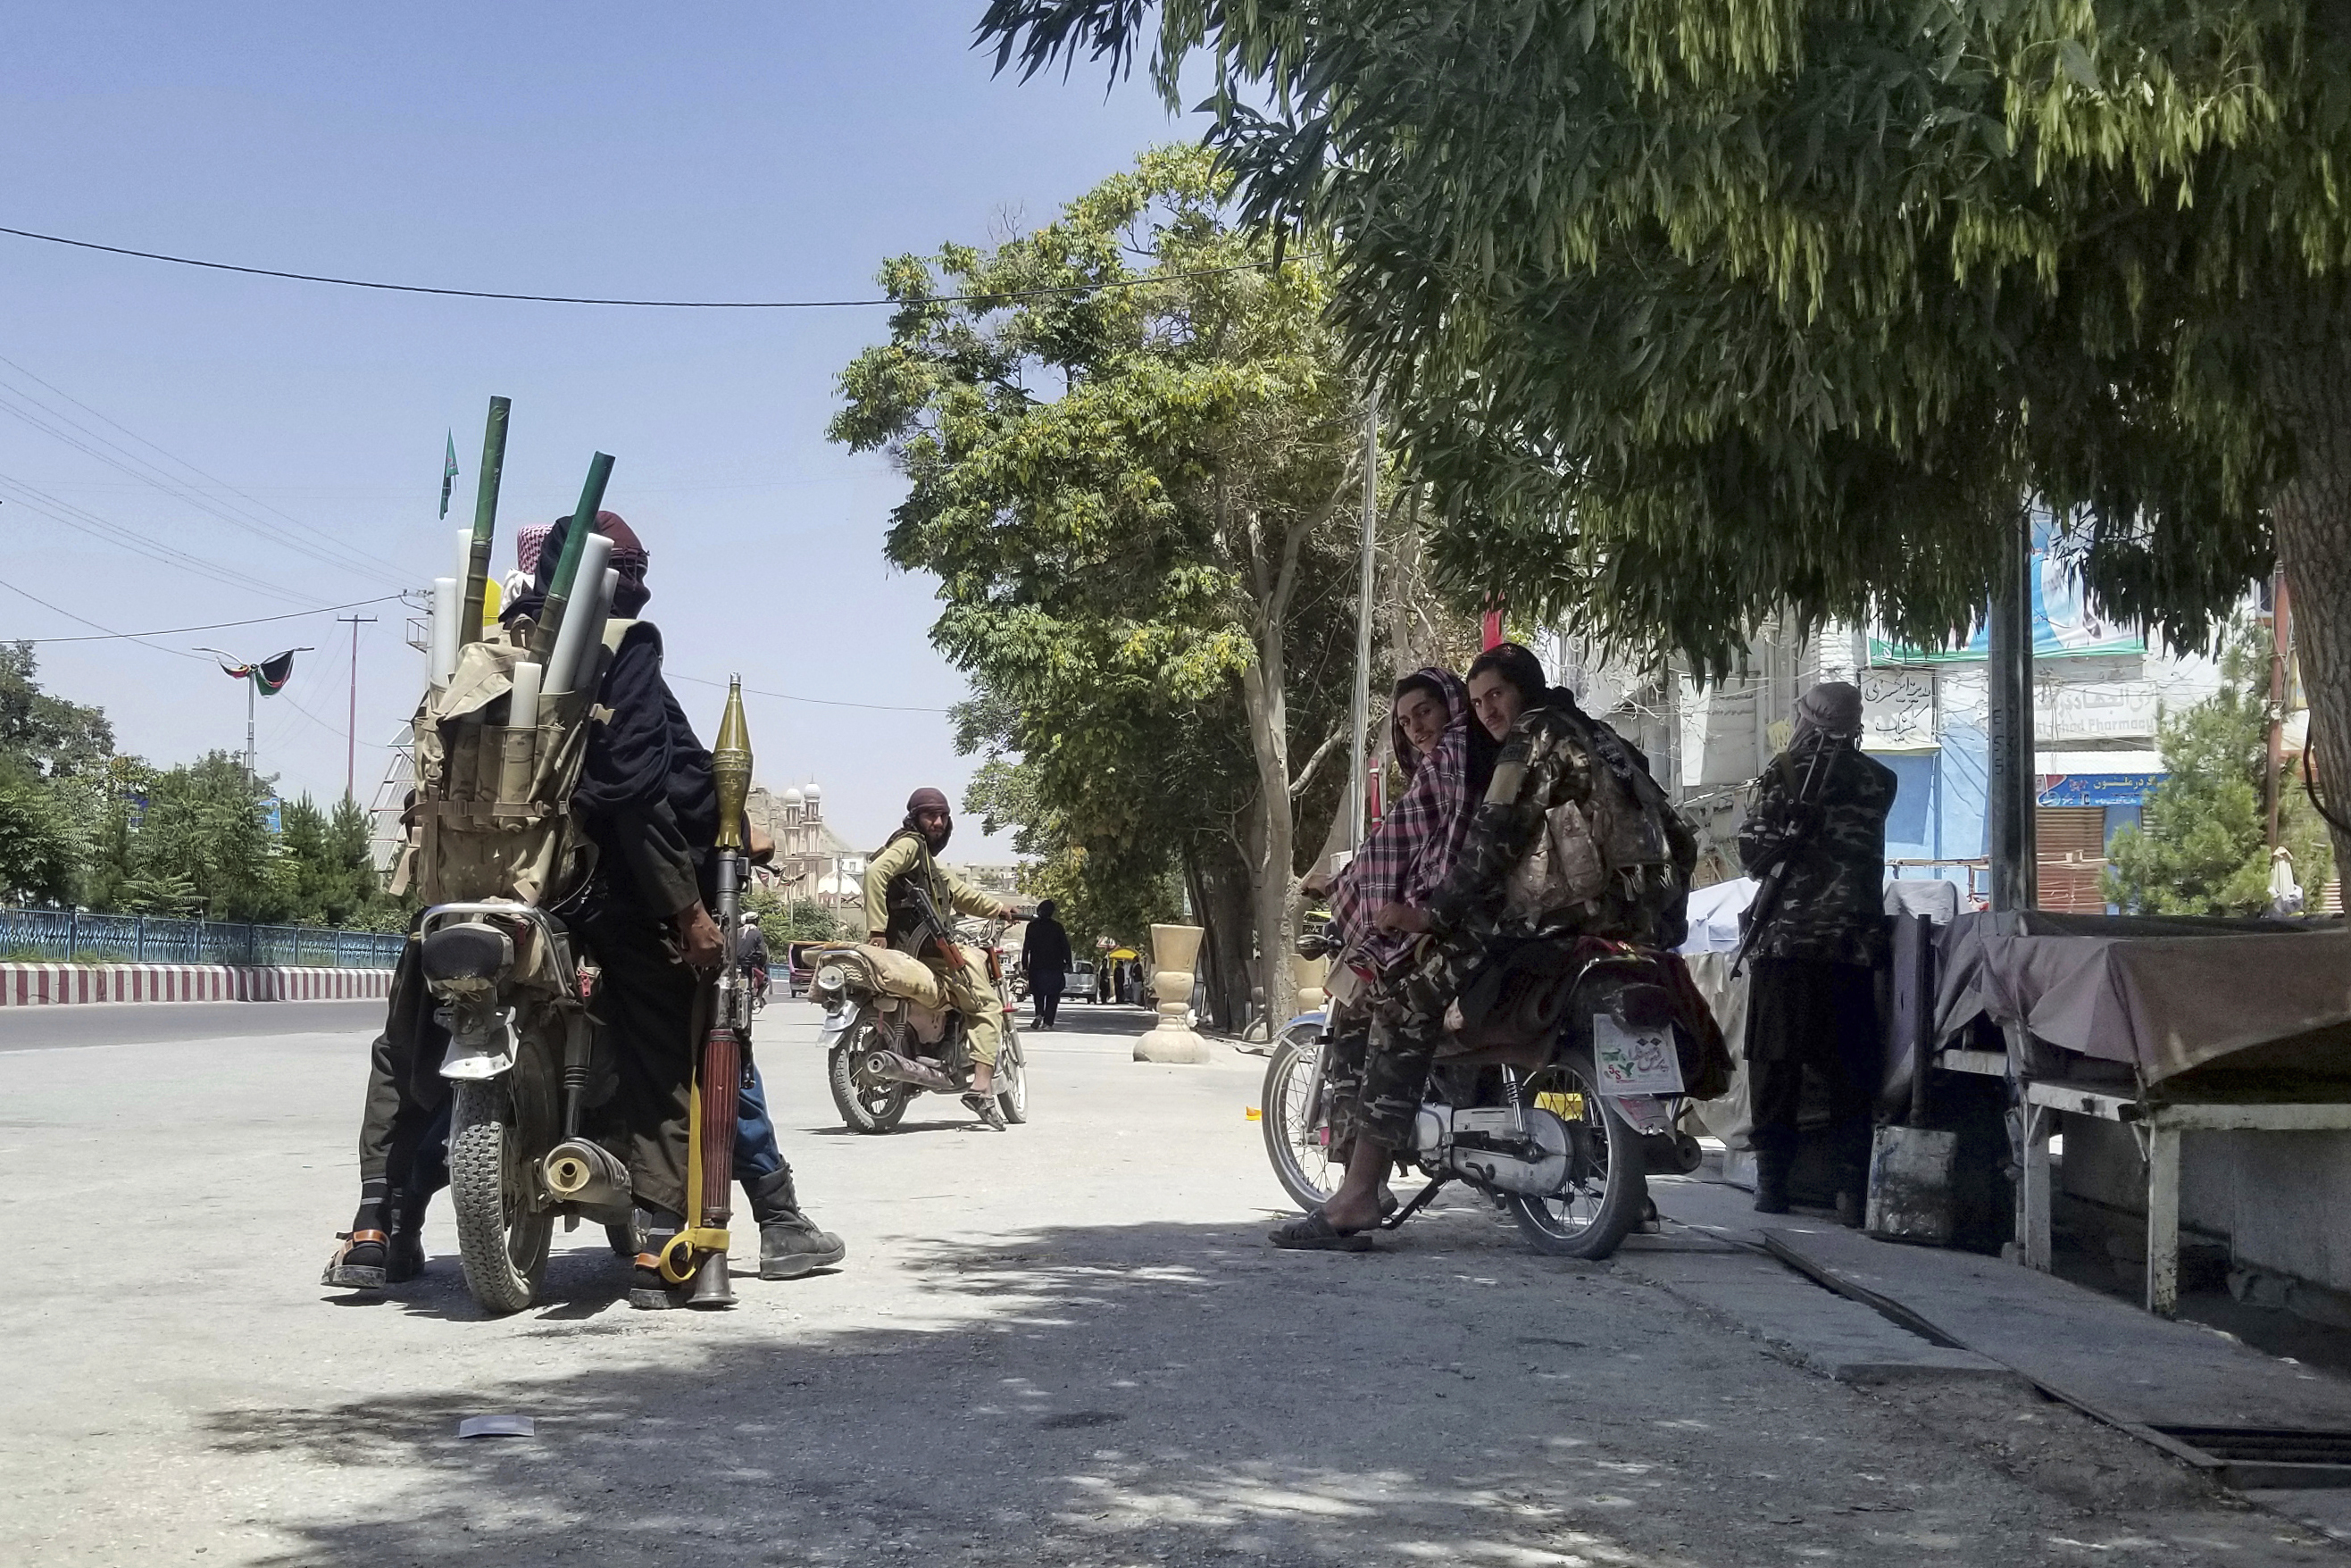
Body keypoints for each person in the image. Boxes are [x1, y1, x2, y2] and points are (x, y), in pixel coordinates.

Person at [515, 511, 843, 1304]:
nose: (640, 577)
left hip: (547, 892)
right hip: (641, 893)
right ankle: (688, 1239)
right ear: (604, 575)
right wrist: (688, 911)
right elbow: (636, 793)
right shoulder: (622, 647)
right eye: (628, 564)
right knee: (702, 1039)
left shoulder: (507, 648)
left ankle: (379, 1223)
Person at [1274, 643, 1693, 1248]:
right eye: (1477, 702)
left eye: (1495, 694)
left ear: (1524, 688)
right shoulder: (1599, 735)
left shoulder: (1531, 738)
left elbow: (1491, 840)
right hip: (1640, 919)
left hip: (1567, 913)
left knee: (1402, 1006)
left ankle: (1360, 1194)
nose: (1488, 711)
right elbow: (1671, 826)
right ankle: (1626, 1187)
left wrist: (1430, 914)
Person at [1306, 669, 1496, 1180]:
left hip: (1450, 923)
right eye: (1405, 721)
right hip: (1482, 916)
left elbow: (1391, 847)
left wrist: (1343, 887)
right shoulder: (1484, 754)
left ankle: (1360, 1181)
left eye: (1425, 712)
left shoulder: (1448, 760)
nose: (1416, 729)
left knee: (1364, 1008)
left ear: (1452, 707)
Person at [1737, 680, 1897, 1224]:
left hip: (1787, 943)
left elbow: (1753, 858)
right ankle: (1852, 1192)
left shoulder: (1783, 775)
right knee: (1850, 1071)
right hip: (1853, 946)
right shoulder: (1882, 781)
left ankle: (1772, 1186)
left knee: (1775, 1065)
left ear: (1805, 717)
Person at [864, 788, 1021, 1128]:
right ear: (915, 818)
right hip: (925, 953)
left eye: (943, 817)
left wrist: (1000, 908)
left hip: (918, 950)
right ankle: (981, 1089)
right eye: (930, 816)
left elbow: (962, 894)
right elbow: (875, 873)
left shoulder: (926, 862)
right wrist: (876, 929)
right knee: (987, 1006)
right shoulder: (910, 845)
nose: (937, 822)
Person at [1021, 899, 1073, 1030]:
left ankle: (1039, 1013)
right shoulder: (1057, 927)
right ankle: (1048, 1023)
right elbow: (1065, 946)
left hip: (1036, 966)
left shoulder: (1032, 927)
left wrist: (1024, 965)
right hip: (1055, 966)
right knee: (1053, 995)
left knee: (1038, 993)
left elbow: (1026, 947)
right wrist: (1069, 963)